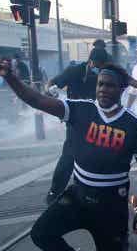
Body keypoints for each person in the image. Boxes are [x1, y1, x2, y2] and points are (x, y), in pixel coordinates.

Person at [0, 59, 137, 251]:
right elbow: (36, 100)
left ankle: (120, 239)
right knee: (40, 233)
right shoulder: (78, 108)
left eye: (109, 85)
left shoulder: (132, 124)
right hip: (78, 196)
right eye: (100, 84)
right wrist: (10, 77)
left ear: (122, 89)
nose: (103, 89)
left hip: (111, 205)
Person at [45, 48, 111, 205]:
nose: (99, 69)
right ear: (91, 61)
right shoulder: (74, 71)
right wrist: (50, 90)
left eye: (102, 66)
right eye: (98, 65)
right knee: (69, 157)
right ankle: (55, 192)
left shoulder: (105, 73)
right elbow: (51, 83)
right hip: (75, 119)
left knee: (95, 157)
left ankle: (88, 192)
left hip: (96, 120)